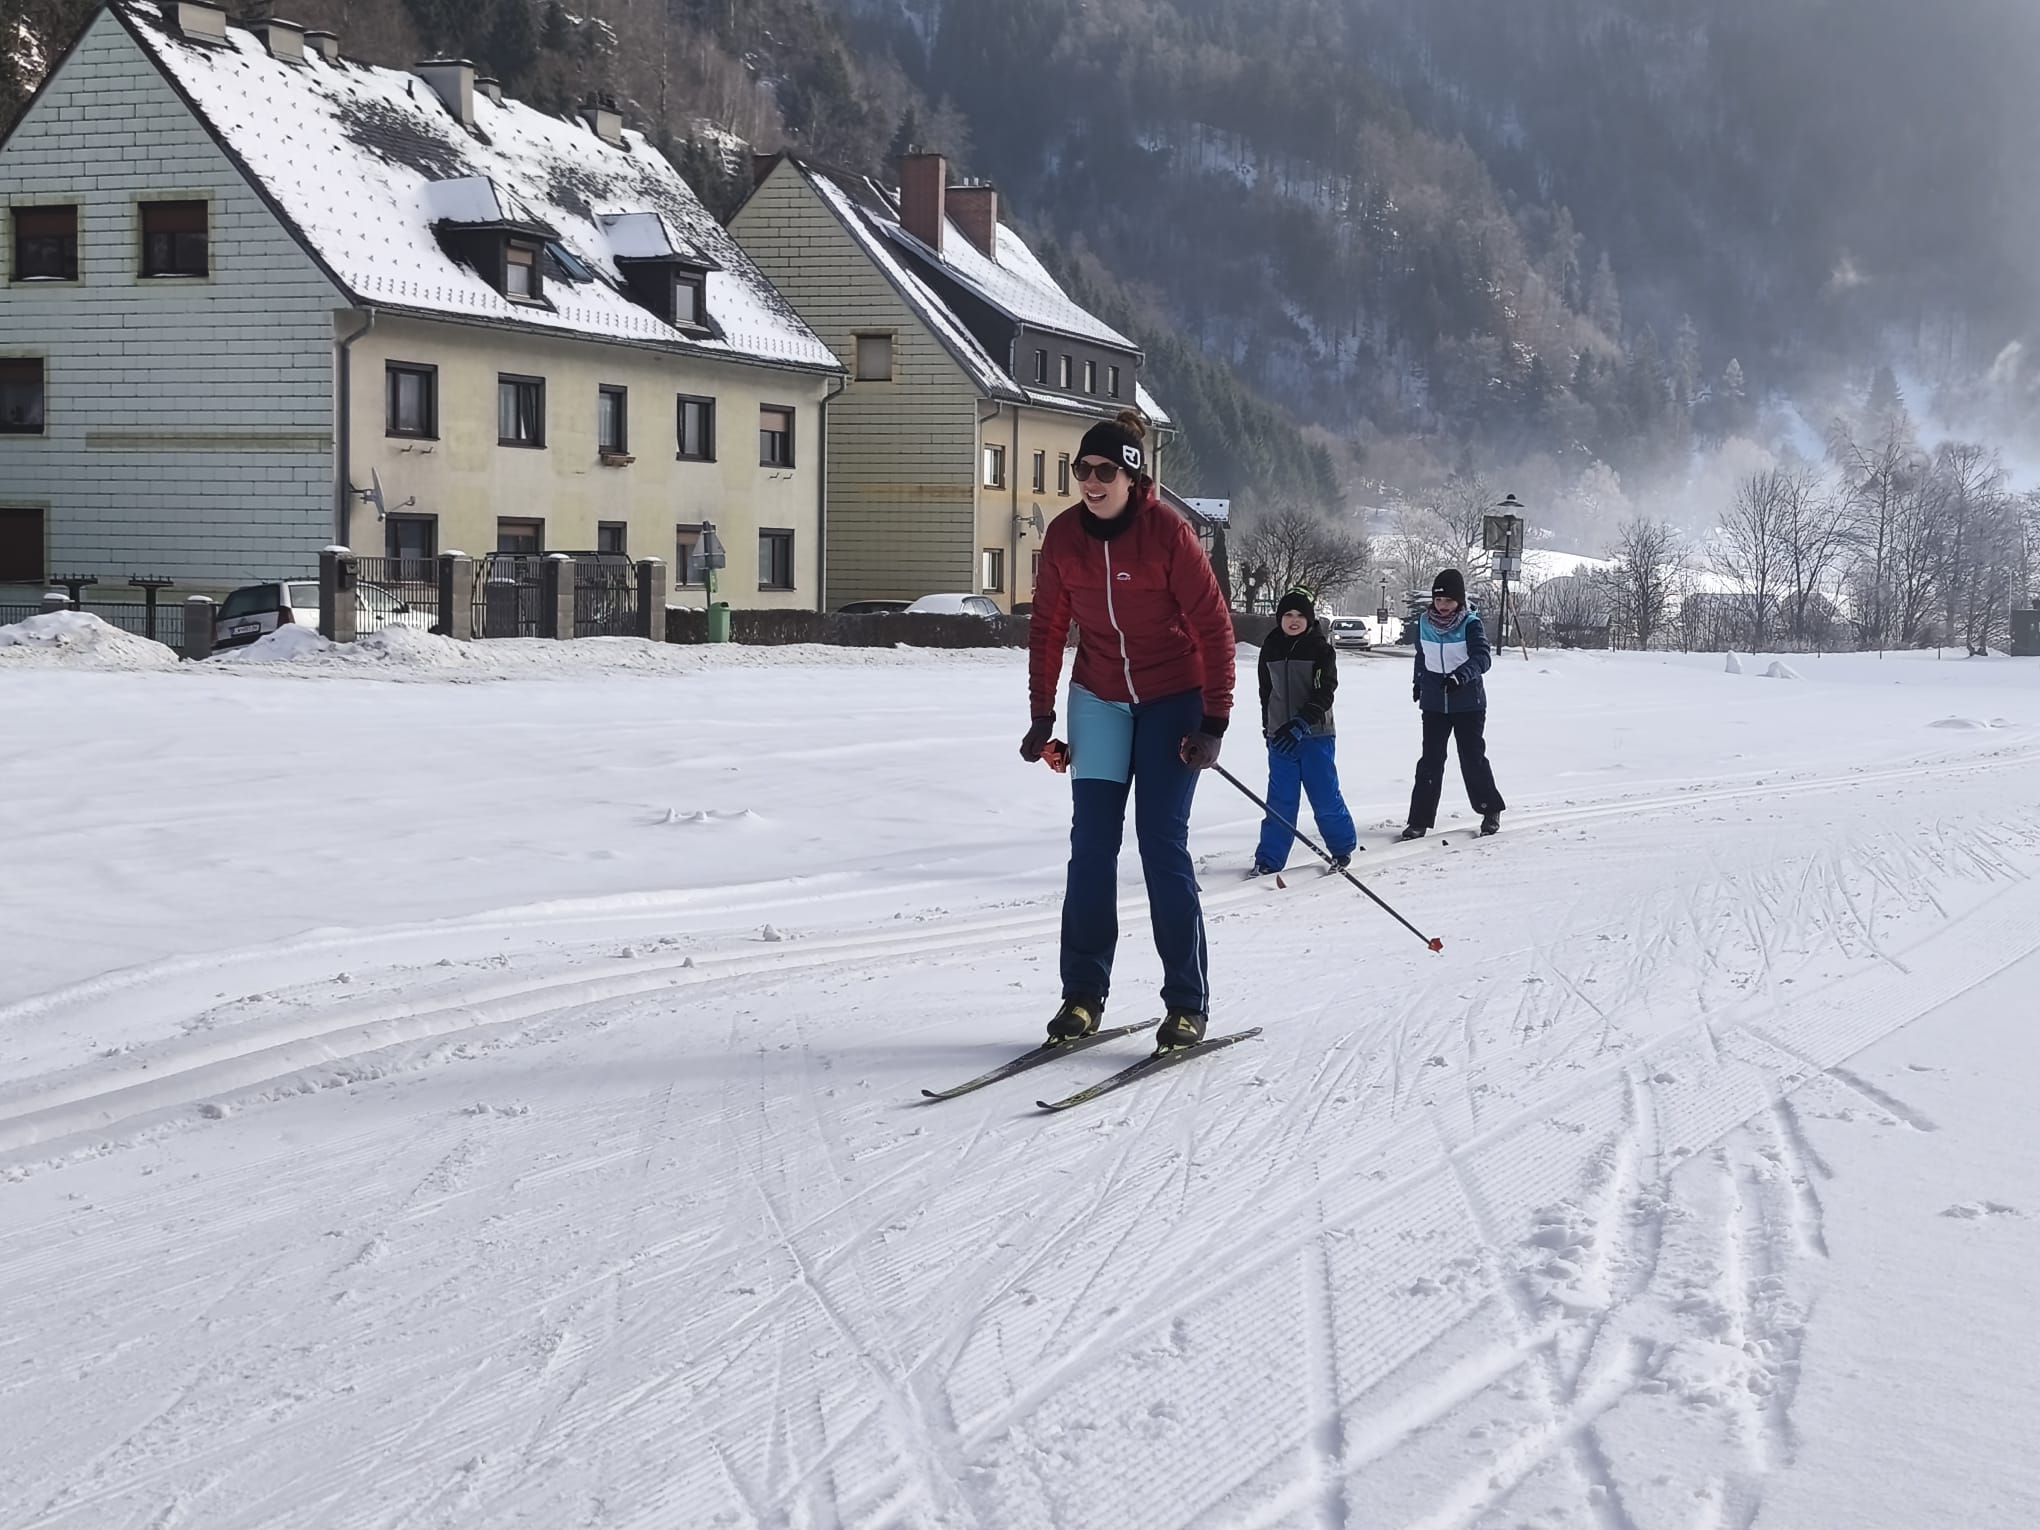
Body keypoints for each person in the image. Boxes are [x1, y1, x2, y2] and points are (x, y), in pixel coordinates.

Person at [1021, 410, 1236, 1051]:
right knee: (1091, 845)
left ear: (1130, 474)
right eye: (1081, 470)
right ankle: (1082, 994)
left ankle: (1186, 1003)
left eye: (1103, 471)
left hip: (1173, 696)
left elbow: (1214, 628)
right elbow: (1048, 628)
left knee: (1160, 844)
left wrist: (1214, 722)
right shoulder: (1063, 539)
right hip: (1100, 696)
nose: (1090, 481)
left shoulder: (1168, 534)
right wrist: (1041, 715)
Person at [1251, 588, 1358, 876]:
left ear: (1310, 619)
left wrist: (1301, 723)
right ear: (1279, 618)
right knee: (1280, 801)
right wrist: (1268, 727)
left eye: (1300, 615)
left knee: (1324, 796)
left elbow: (1325, 693)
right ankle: (1269, 860)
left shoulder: (1321, 650)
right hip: (1280, 738)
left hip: (1315, 736)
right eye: (1288, 615)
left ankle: (1342, 847)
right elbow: (1266, 692)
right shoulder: (1270, 648)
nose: (1294, 620)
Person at [1402, 567, 1506, 839]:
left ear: (1459, 601)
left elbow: (1483, 658)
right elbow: (1421, 655)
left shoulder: (1470, 624)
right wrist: (1418, 682)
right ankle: (1419, 820)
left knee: (1472, 759)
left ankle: (1489, 809)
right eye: (1438, 600)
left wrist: (1460, 677)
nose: (1442, 605)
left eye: (1448, 600)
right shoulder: (1424, 623)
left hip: (1468, 704)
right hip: (1435, 704)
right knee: (1430, 762)